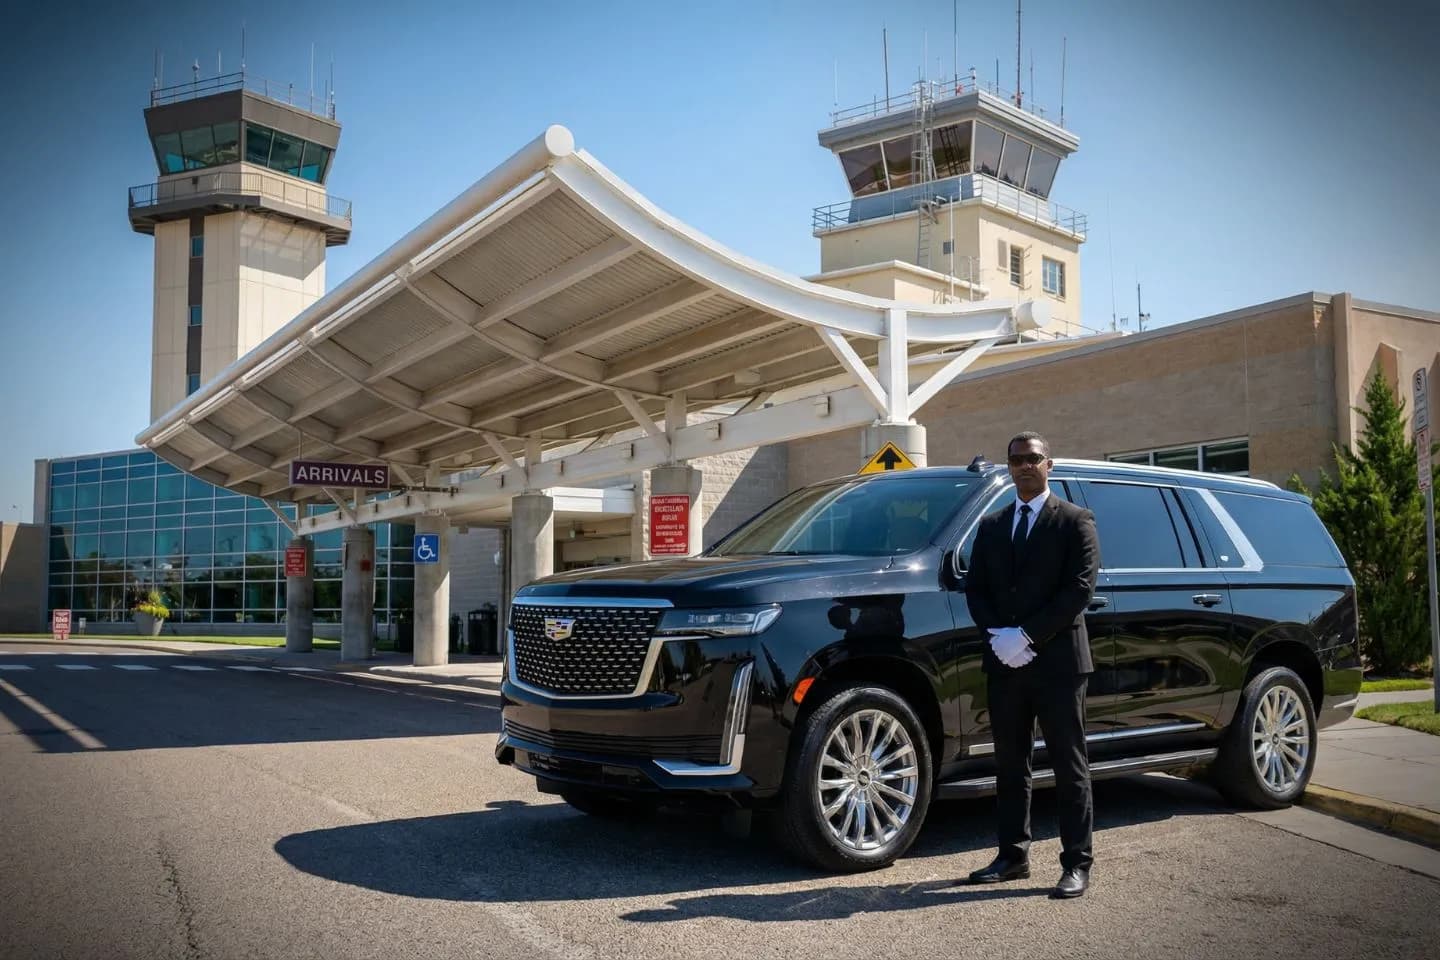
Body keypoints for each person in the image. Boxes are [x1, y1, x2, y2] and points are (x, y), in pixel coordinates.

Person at [963, 431, 1101, 899]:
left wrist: (1027, 636)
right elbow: (976, 590)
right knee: (1009, 765)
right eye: (1017, 459)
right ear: (1008, 467)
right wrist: (998, 638)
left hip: (1059, 663)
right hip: (1005, 663)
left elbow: (1079, 590)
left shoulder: (1075, 521)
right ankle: (1012, 857)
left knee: (1069, 764)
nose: (1024, 465)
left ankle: (1077, 863)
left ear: (1050, 465)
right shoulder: (992, 524)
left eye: (1033, 458)